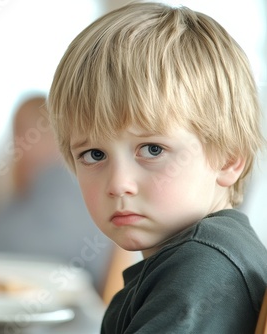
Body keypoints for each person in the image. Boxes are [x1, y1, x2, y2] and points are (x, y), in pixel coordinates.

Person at [47, 2, 267, 333]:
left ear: (229, 158)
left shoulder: (203, 267)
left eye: (152, 149)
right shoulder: (193, 256)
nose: (119, 184)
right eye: (94, 154)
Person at [0, 95, 114, 292]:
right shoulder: (23, 186)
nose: (17, 143)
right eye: (16, 132)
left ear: (56, 137)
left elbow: (46, 250)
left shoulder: (65, 181)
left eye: (26, 132)